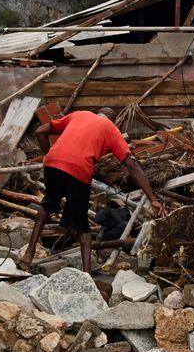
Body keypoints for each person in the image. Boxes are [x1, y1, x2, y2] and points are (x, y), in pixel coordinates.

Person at [20, 107, 164, 273]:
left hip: (53, 162)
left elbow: (40, 131)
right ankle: (87, 275)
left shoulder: (78, 115)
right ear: (113, 120)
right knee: (83, 227)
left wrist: (48, 154)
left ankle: (28, 254)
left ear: (98, 114)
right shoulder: (111, 129)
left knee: (47, 205)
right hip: (80, 170)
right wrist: (152, 198)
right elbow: (131, 165)